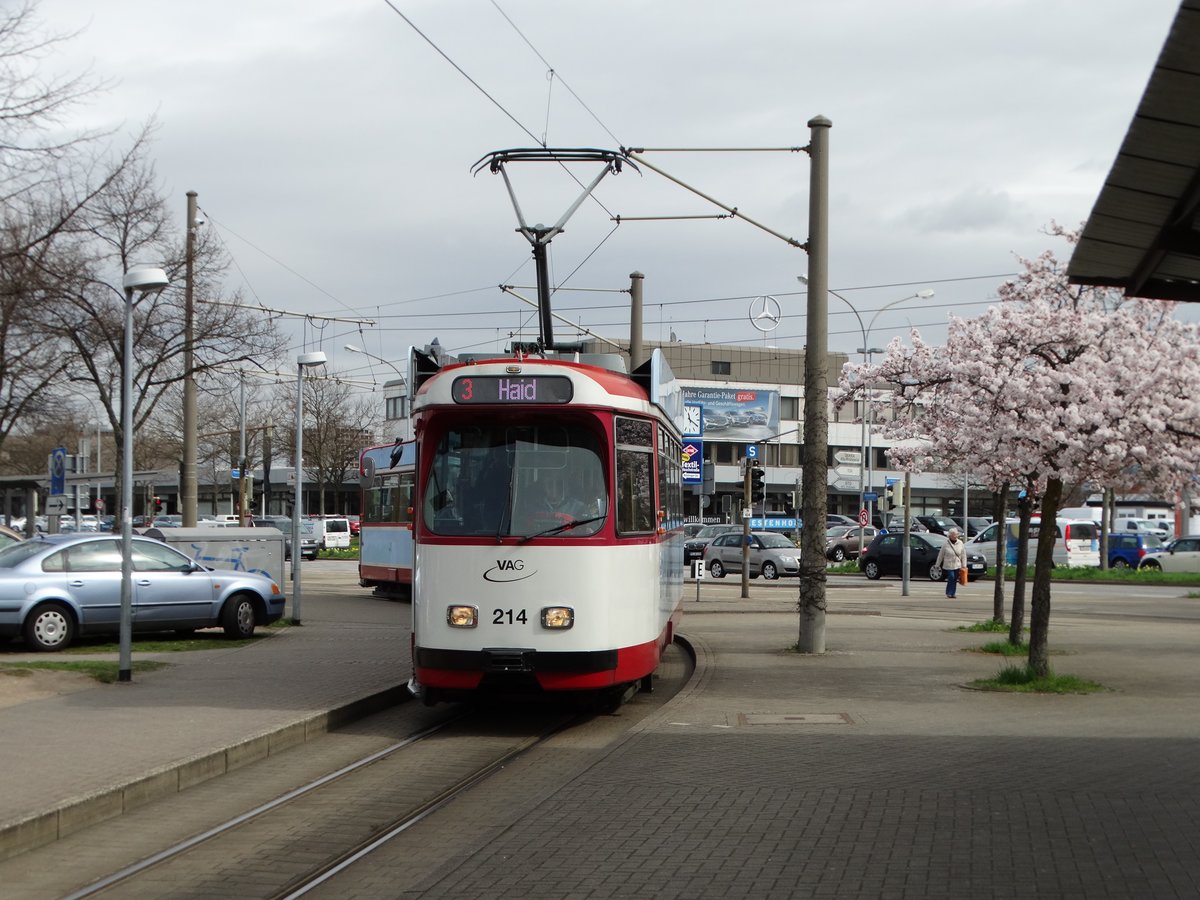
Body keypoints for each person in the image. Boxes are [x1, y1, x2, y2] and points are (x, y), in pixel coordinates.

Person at [936, 528, 967, 598]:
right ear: (949, 536)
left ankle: (953, 593)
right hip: (948, 564)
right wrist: (937, 564)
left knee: (955, 579)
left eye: (956, 535)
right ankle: (949, 592)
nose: (955, 536)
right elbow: (941, 555)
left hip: (957, 564)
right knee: (951, 577)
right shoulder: (945, 544)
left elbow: (963, 555)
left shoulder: (960, 543)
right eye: (953, 535)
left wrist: (964, 565)